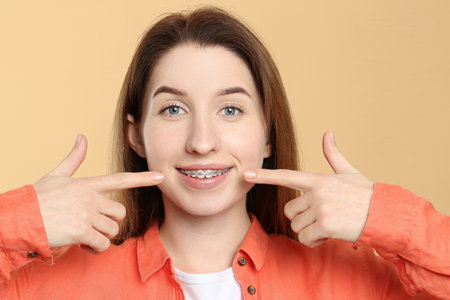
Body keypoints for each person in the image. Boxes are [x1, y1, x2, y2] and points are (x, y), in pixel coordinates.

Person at [0, 6, 449, 299]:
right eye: (173, 109)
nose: (202, 141)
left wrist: (388, 219)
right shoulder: (50, 285)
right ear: (136, 137)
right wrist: (20, 223)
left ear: (267, 135)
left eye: (230, 109)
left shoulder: (354, 282)